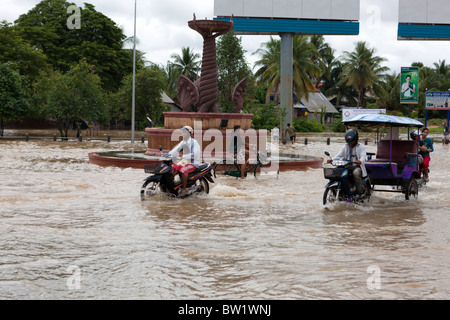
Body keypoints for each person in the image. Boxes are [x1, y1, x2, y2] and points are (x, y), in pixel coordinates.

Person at [327, 129, 367, 198]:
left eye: (352, 142)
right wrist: (331, 159)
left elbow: (363, 156)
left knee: (356, 173)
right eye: (349, 142)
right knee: (335, 172)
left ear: (356, 140)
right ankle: (338, 190)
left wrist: (360, 160)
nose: (350, 144)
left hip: (357, 166)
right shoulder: (345, 146)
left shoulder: (361, 146)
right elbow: (339, 155)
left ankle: (359, 192)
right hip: (346, 166)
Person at [168, 126, 201, 197]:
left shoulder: (194, 142)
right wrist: (168, 155)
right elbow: (175, 150)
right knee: (173, 167)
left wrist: (184, 156)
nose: (182, 134)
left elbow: (195, 154)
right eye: (182, 132)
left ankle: (184, 190)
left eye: (184, 132)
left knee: (183, 170)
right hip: (185, 161)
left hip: (193, 163)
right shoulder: (183, 142)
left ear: (189, 133)